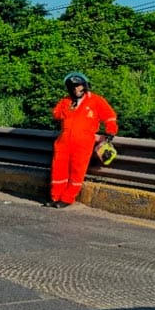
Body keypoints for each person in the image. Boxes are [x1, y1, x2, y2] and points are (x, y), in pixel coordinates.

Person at [45, 72, 117, 209]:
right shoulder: (65, 101)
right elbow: (56, 114)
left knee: (77, 170)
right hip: (64, 141)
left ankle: (67, 198)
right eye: (73, 87)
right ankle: (55, 197)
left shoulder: (96, 100)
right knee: (58, 169)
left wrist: (110, 132)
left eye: (78, 86)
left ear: (84, 86)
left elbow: (110, 116)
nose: (76, 90)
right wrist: (67, 109)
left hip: (83, 143)